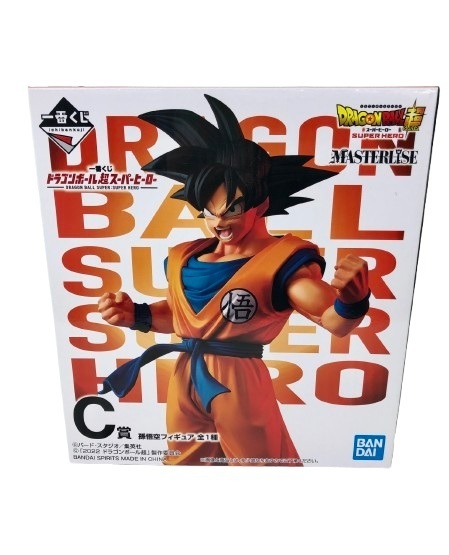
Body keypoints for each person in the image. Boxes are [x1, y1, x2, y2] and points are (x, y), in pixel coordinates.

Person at [98, 95, 370, 465]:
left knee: (259, 464)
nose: (219, 222)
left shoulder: (282, 262)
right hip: (185, 374)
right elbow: (183, 317)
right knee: (184, 464)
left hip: (238, 380)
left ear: (262, 204)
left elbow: (333, 320)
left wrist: (353, 300)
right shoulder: (184, 256)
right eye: (208, 212)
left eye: (233, 209)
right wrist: (137, 315)